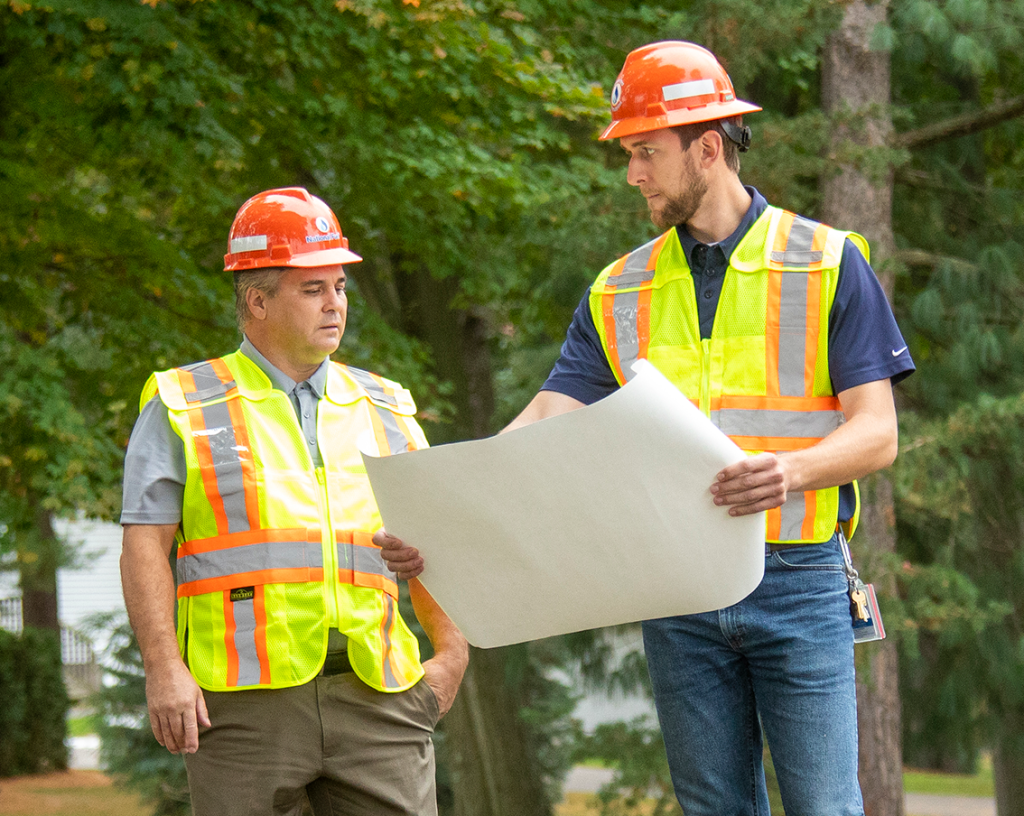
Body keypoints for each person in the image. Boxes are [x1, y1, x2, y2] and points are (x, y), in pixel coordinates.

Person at [380, 41, 913, 816]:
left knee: (824, 806)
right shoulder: (619, 287)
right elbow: (545, 421)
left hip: (798, 581)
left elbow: (878, 435)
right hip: (676, 586)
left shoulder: (828, 262)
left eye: (644, 153)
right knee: (712, 808)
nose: (632, 174)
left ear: (707, 147)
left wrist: (788, 472)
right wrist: (445, 506)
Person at [120, 186, 469, 816]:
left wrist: (451, 653)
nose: (335, 304)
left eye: (339, 287)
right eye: (313, 289)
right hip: (243, 706)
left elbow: (434, 539)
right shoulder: (184, 404)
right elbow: (144, 543)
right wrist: (163, 668)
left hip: (379, 696)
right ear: (257, 300)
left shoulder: (385, 406)